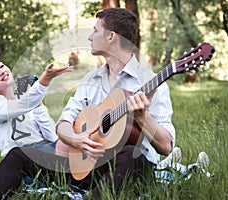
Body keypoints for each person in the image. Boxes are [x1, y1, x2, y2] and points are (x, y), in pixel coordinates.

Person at [56, 7, 175, 197]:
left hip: (132, 168)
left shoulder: (151, 83)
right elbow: (64, 121)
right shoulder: (90, 79)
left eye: (95, 31)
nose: (90, 37)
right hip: (91, 165)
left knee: (128, 154)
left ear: (111, 36)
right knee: (20, 155)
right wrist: (74, 138)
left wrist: (142, 117)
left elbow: (166, 146)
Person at [0, 56, 74, 199]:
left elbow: (52, 137)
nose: (1, 71)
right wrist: (45, 79)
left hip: (48, 158)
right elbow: (19, 107)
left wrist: (38, 105)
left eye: (1, 66)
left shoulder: (26, 101)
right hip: (29, 171)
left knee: (73, 137)